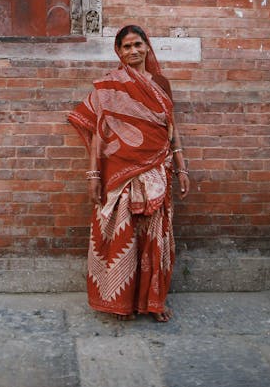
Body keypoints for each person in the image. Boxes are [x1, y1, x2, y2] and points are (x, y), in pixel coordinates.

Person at [68, 24, 190, 322]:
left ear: (147, 46)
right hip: (119, 171)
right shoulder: (111, 86)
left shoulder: (161, 83)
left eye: (138, 44)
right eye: (126, 47)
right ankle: (120, 302)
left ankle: (154, 302)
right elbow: (99, 132)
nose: (133, 51)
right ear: (118, 51)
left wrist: (182, 166)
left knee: (155, 237)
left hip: (157, 171)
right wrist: (94, 175)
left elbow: (171, 129)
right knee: (123, 236)